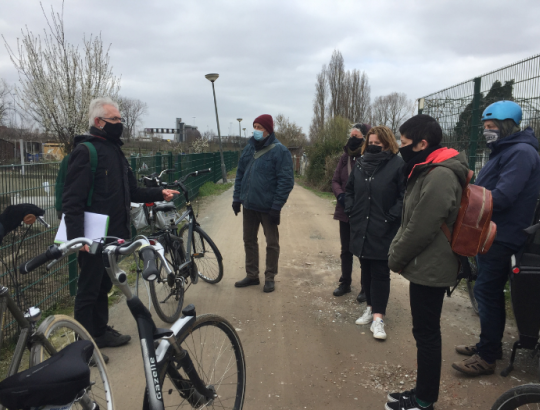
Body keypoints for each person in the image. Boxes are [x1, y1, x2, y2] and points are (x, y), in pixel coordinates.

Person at [62, 97, 179, 354]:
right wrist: (77, 238)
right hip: (92, 236)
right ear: (98, 122)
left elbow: (133, 192)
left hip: (114, 235)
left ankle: (100, 333)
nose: (120, 124)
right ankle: (81, 349)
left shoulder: (116, 152)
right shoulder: (86, 152)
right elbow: (71, 200)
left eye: (119, 119)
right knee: (88, 289)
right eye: (114, 119)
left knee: (104, 285)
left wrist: (160, 193)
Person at [386, 115, 469, 410]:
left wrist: (395, 257)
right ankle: (422, 392)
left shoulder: (440, 175)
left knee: (427, 333)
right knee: (424, 331)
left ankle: (424, 401)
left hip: (432, 267)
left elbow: (421, 225)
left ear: (423, 143)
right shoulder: (429, 168)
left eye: (405, 143)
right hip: (426, 263)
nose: (400, 147)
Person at [452, 101, 540, 376]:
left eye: (491, 127)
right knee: (487, 292)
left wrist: (468, 204)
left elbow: (503, 196)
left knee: (487, 292)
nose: (487, 131)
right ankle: (487, 346)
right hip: (493, 230)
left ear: (505, 125)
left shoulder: (521, 153)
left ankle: (487, 356)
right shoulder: (505, 151)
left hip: (503, 234)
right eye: (485, 127)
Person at [345, 126, 405, 340]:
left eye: (377, 144)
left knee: (380, 271)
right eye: (370, 143)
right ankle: (370, 308)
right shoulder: (360, 164)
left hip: (384, 226)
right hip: (361, 224)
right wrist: (351, 208)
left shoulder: (398, 165)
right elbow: (349, 189)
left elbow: (404, 194)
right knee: (366, 268)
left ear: (388, 144)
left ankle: (379, 317)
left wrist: (392, 215)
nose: (373, 147)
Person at [232, 114, 294, 293]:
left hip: (268, 207)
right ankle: (252, 275)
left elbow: (286, 181)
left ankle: (270, 277)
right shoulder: (249, 148)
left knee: (272, 242)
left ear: (268, 129)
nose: (256, 130)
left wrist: (277, 206)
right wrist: (237, 198)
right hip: (249, 205)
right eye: (255, 126)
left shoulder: (280, 151)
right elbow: (240, 174)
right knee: (249, 240)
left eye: (259, 127)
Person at [331, 123, 370, 302]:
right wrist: (341, 196)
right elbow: (336, 180)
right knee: (345, 249)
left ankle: (365, 288)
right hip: (344, 210)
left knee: (362, 251)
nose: (353, 139)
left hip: (361, 211)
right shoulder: (344, 157)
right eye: (351, 135)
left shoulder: (369, 157)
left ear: (365, 138)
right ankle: (345, 282)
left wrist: (355, 200)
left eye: (357, 136)